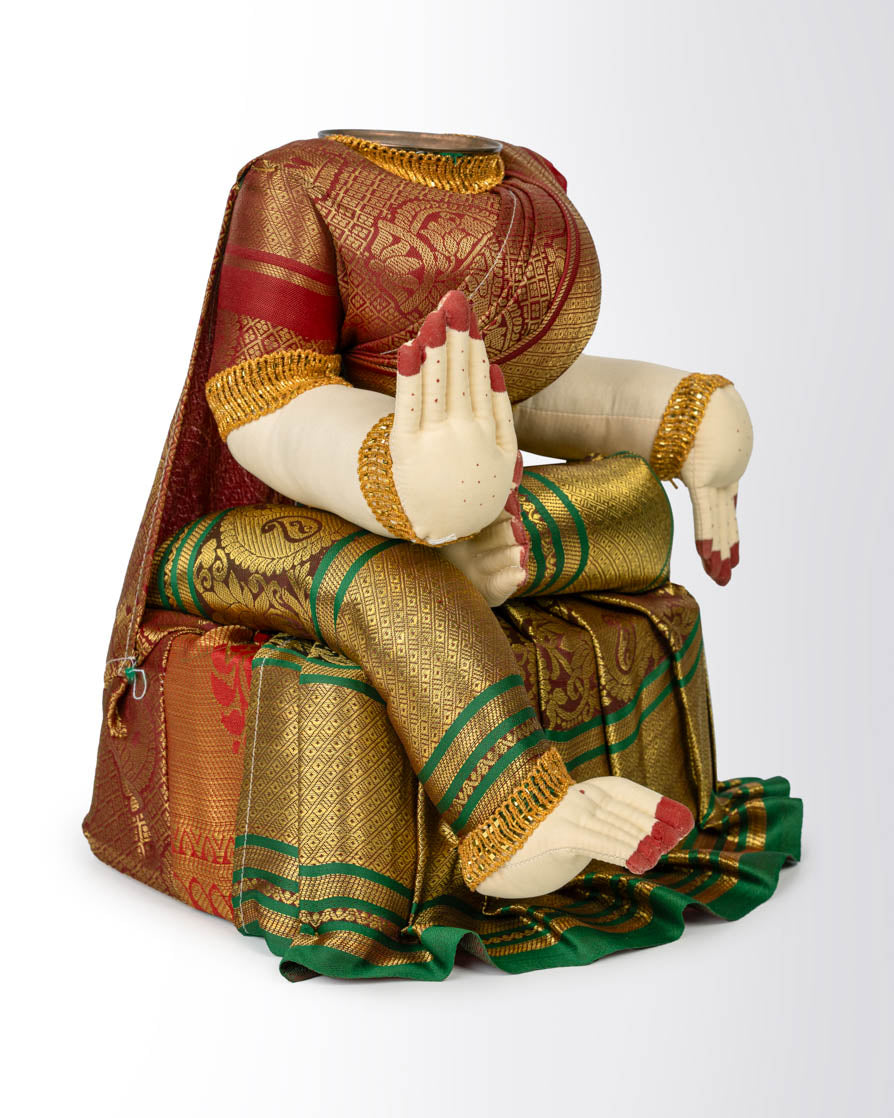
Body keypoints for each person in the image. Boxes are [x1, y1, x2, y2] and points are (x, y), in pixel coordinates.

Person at [87, 131, 800, 979]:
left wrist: (688, 420)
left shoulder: (520, 181)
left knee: (635, 496)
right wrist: (406, 476)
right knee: (397, 582)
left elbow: (532, 389)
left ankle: (501, 554)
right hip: (248, 529)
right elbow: (266, 400)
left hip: (451, 483)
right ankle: (514, 814)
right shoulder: (290, 188)